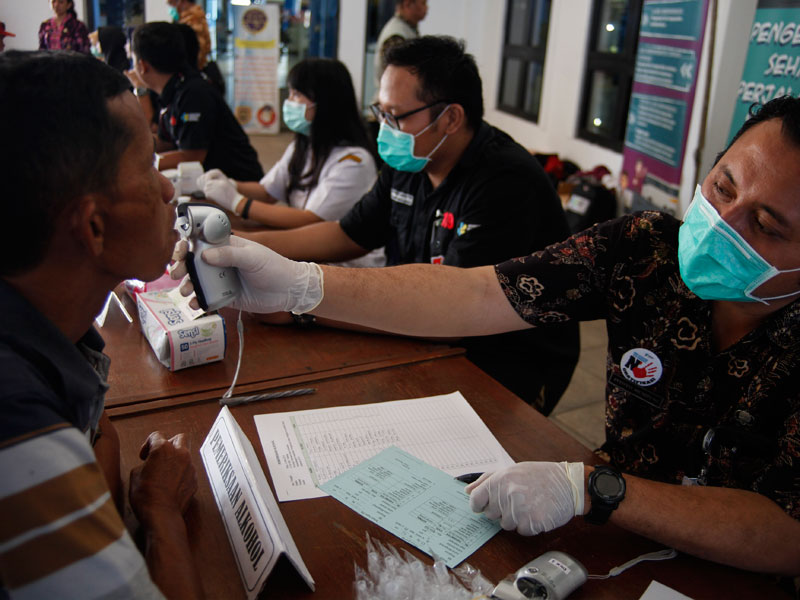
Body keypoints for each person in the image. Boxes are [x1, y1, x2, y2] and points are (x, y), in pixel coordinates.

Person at [173, 95, 800, 575]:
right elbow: (475, 293)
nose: (723, 223)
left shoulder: (501, 179)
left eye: (766, 224)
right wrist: (303, 286)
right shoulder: (646, 249)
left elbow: (787, 531)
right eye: (722, 186)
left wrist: (593, 488)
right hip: (603, 542)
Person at [236, 36, 580, 413]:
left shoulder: (506, 183)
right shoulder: (411, 161)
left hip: (506, 358)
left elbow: (451, 311)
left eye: (396, 116)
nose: (384, 128)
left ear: (450, 118)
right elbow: (347, 234)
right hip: (428, 335)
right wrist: (247, 244)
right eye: (380, 112)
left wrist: (300, 307)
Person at [0, 50, 201, 598]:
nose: (167, 191)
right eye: (149, 167)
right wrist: (161, 513)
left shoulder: (44, 320)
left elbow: (100, 432)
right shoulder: (18, 433)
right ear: (93, 227)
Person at [199, 57, 384, 268]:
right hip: (309, 251)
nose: (290, 102)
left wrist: (238, 202)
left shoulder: (354, 161)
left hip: (344, 265)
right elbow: (268, 191)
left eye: (297, 94)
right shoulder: (304, 145)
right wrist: (231, 184)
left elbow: (311, 220)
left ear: (325, 102)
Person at [131, 21, 263, 180]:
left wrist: (141, 163)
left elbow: (192, 156)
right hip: (208, 180)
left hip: (237, 183)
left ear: (142, 65)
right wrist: (131, 147)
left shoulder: (194, 93)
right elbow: (165, 142)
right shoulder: (171, 90)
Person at [373, 0, 427, 94]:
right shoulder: (397, 35)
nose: (427, 8)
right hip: (394, 99)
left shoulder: (407, 29)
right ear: (408, 4)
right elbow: (399, 77)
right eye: (423, 3)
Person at [167, 0, 211, 70]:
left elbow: (198, 50)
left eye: (172, 3)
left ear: (182, 2)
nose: (172, 7)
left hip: (191, 68)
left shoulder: (192, 19)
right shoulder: (193, 16)